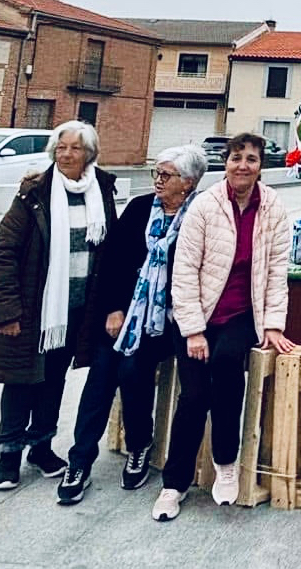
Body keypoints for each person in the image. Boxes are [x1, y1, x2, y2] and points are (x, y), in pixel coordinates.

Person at [152, 133, 295, 522]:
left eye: (250, 159)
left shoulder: (273, 208)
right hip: (198, 314)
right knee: (194, 396)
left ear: (261, 166)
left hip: (240, 314)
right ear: (225, 163)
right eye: (235, 158)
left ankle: (226, 463)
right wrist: (194, 330)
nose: (242, 166)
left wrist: (273, 325)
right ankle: (173, 484)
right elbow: (183, 272)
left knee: (229, 366)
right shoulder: (205, 206)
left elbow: (277, 271)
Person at [55, 145, 208, 504]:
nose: (158, 179)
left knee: (133, 369)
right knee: (102, 374)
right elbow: (114, 261)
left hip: (167, 321)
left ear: (187, 183)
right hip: (126, 314)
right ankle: (79, 461)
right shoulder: (140, 209)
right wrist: (113, 309)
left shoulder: (199, 215)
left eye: (166, 175)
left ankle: (140, 445)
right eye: (157, 172)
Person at [0, 121, 118, 490]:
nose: (67, 154)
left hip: (75, 311)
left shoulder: (101, 189)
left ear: (89, 154)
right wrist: (7, 310)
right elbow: (4, 254)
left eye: (75, 148)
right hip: (34, 309)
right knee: (21, 380)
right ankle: (8, 455)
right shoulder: (33, 193)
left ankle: (41, 446)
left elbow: (108, 252)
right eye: (61, 148)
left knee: (53, 379)